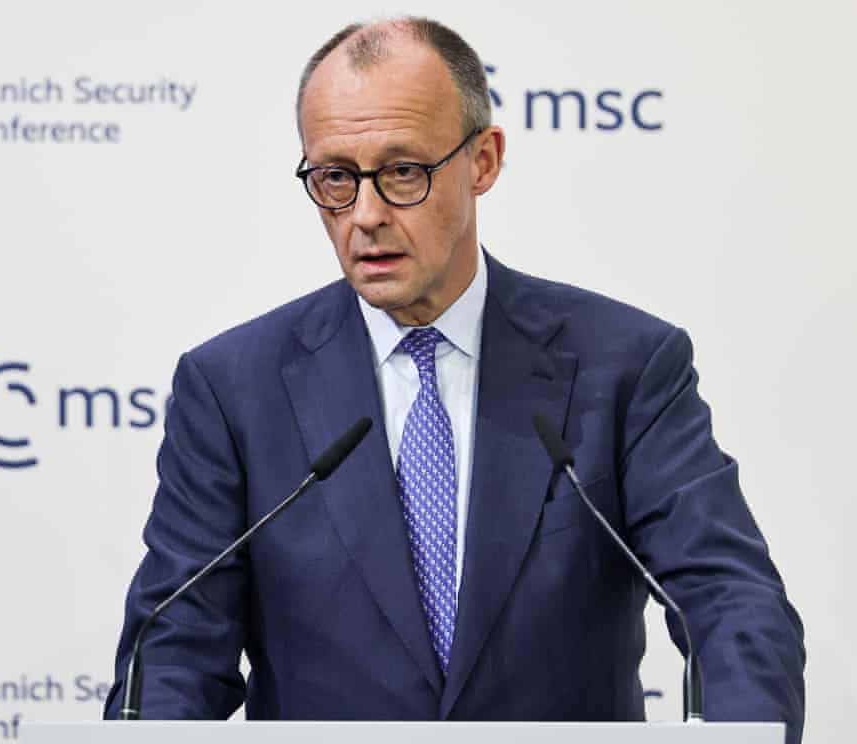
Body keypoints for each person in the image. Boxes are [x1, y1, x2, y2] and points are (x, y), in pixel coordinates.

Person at [104, 17, 805, 742]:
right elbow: (174, 650)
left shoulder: (624, 365)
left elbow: (729, 600)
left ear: (483, 161)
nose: (365, 216)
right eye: (336, 177)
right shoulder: (232, 390)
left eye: (403, 171)